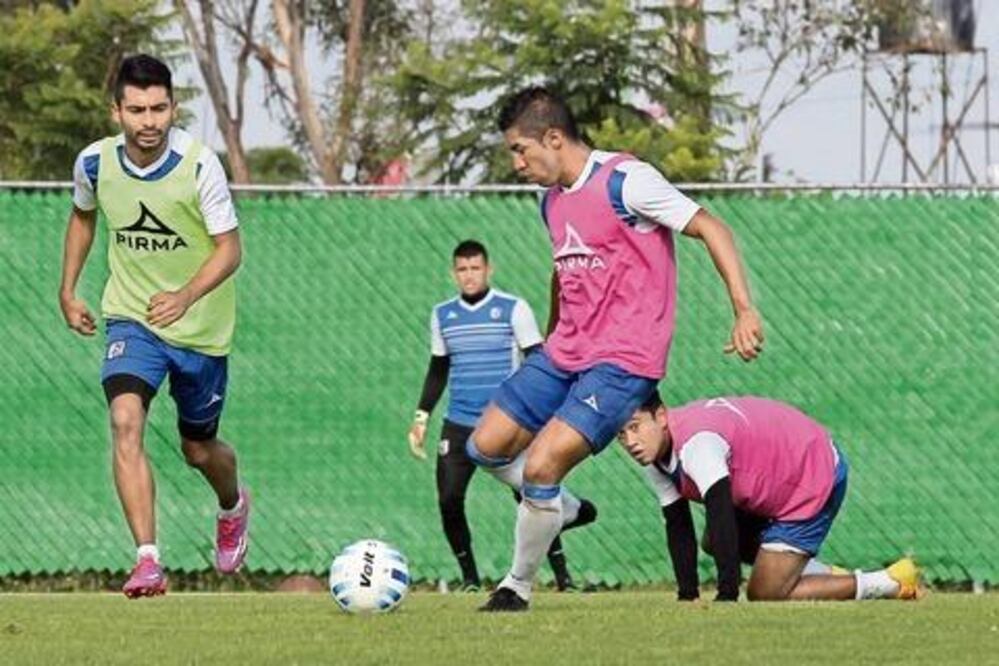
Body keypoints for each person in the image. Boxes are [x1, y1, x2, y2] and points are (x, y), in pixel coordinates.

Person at [470, 87, 764, 611]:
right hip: (566, 351)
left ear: (554, 138)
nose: (516, 162)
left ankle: (515, 587)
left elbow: (710, 227)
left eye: (520, 149)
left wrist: (744, 309)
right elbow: (566, 265)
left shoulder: (627, 183)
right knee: (485, 445)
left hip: (625, 363)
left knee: (540, 467)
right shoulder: (551, 202)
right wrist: (552, 335)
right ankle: (565, 508)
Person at [58, 54, 249, 598]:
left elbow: (230, 249)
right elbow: (82, 214)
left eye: (159, 108)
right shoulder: (94, 164)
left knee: (199, 450)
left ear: (173, 107)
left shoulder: (198, 165)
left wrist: (186, 295)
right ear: (116, 109)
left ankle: (233, 505)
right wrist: (68, 290)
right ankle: (147, 560)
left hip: (202, 331)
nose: (149, 121)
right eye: (137, 109)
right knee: (124, 421)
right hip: (132, 319)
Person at [408, 240, 595, 591]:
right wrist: (421, 417)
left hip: (508, 422)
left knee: (534, 495)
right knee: (449, 499)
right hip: (459, 423)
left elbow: (537, 360)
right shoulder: (443, 315)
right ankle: (470, 581)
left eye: (475, 268)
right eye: (462, 269)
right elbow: (438, 369)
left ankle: (563, 579)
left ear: (488, 269)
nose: (469, 275)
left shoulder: (513, 308)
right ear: (454, 273)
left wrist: (542, 412)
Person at [618, 390, 920, 601]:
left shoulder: (697, 445)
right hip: (770, 475)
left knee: (765, 593)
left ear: (660, 416)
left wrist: (727, 596)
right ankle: (820, 574)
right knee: (713, 542)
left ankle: (889, 582)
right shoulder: (656, 454)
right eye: (620, 434)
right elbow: (678, 524)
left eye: (635, 427)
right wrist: (688, 596)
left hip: (810, 473)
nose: (630, 442)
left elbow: (720, 513)